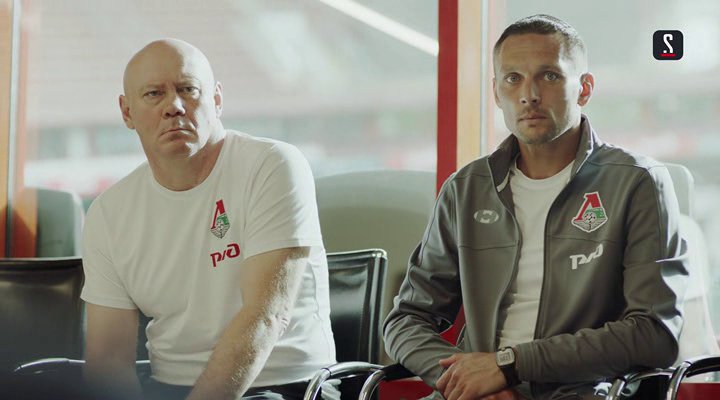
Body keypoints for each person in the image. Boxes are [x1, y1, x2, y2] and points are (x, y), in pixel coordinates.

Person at [383, 14, 688, 400]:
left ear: (584, 89)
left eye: (549, 76)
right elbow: (406, 320)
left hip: (581, 393)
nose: (529, 94)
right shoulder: (466, 188)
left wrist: (509, 365)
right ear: (497, 93)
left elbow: (654, 334)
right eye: (513, 79)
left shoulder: (637, 182)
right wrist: (465, 379)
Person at [81, 39, 337, 400]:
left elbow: (264, 317)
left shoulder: (272, 165)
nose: (174, 106)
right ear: (127, 112)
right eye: (154, 94)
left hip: (286, 387)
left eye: (188, 89)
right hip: (169, 389)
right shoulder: (108, 213)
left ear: (216, 99)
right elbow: (108, 360)